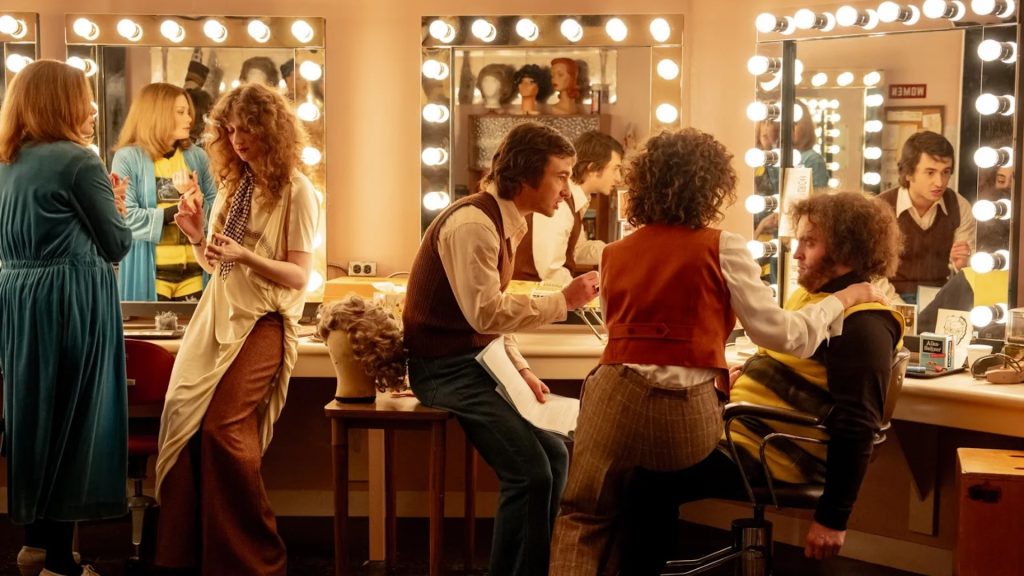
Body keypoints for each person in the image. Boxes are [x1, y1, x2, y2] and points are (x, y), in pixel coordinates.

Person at [547, 130, 888, 575]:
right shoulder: (723, 246)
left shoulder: (613, 253)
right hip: (683, 416)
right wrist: (839, 301)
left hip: (613, 395)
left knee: (584, 513)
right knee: (649, 485)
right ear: (711, 186)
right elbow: (785, 336)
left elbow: (623, 329)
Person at [617, 191, 904, 574]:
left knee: (647, 476)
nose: (797, 253)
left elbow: (858, 423)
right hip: (747, 433)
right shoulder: (813, 298)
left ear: (848, 252)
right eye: (798, 240)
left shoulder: (863, 323)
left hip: (776, 453)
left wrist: (834, 517)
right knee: (637, 452)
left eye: (810, 242)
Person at [403, 122, 600, 576]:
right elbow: (484, 314)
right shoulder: (473, 223)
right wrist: (563, 302)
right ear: (528, 175)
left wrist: (520, 367)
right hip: (443, 371)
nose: (568, 191)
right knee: (530, 473)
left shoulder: (506, 219)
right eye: (561, 175)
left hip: (476, 363)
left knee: (555, 455)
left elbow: (489, 317)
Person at [153, 82, 318, 575]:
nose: (239, 138)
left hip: (263, 321)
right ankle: (189, 556)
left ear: (272, 129)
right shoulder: (234, 185)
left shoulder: (298, 192)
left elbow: (298, 275)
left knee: (223, 428)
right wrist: (197, 235)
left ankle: (256, 559)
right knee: (185, 426)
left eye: (248, 128)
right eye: (231, 129)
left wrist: (244, 253)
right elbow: (218, 266)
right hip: (217, 314)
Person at [0, 59, 131, 576]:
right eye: (83, 96)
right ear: (61, 102)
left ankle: (37, 546)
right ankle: (60, 562)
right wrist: (113, 209)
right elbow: (117, 243)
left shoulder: (8, 161)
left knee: (34, 418)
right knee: (77, 422)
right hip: (71, 299)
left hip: (19, 298)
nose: (93, 108)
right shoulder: (78, 162)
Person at [112, 83, 216, 301]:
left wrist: (197, 200)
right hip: (150, 276)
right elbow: (126, 217)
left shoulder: (198, 157)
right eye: (181, 112)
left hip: (196, 275)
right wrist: (178, 211)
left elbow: (217, 216)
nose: (189, 119)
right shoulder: (127, 158)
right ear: (156, 114)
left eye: (188, 112)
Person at [878, 130, 976, 303]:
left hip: (941, 298)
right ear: (908, 173)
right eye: (930, 172)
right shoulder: (881, 208)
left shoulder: (959, 206)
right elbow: (873, 276)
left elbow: (965, 273)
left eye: (945, 172)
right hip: (888, 299)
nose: (940, 182)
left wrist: (961, 265)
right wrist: (901, 310)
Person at [513, 131, 623, 284]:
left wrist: (622, 250)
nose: (619, 178)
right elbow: (550, 270)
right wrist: (587, 293)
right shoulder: (560, 201)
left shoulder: (576, 200)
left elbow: (577, 250)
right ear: (592, 169)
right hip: (528, 296)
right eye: (615, 168)